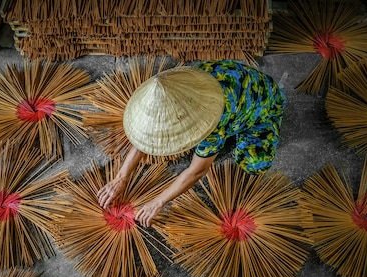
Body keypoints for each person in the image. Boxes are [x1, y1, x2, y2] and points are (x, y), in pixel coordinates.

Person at [97, 59, 286, 227]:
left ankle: (253, 127)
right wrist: (121, 177)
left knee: (255, 164)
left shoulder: (214, 124)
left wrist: (158, 202)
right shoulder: (172, 84)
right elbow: (148, 132)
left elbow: (197, 171)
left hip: (262, 104)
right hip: (229, 76)